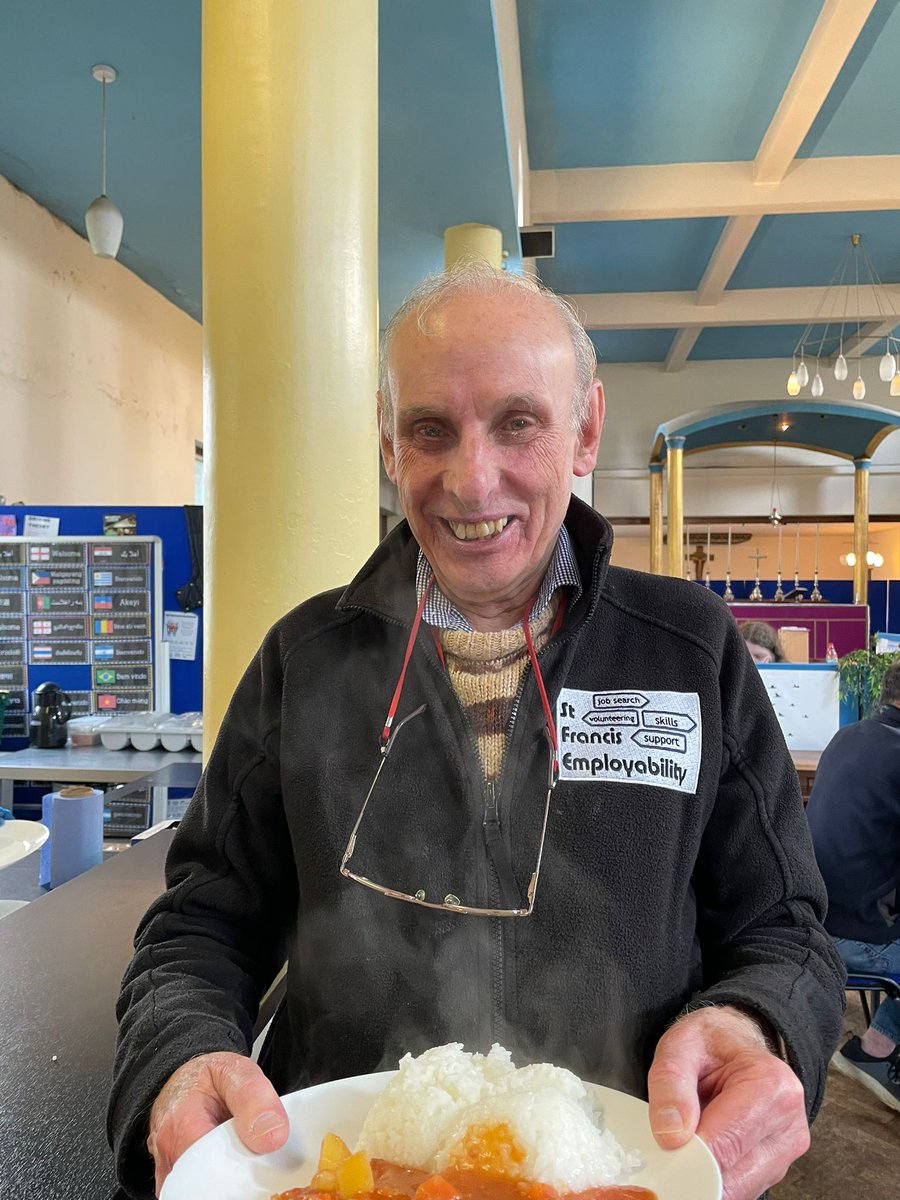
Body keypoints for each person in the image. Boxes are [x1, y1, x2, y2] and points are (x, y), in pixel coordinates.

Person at [108, 264, 845, 1200]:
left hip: (616, 1176)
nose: (470, 478)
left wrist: (762, 1023)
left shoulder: (689, 650)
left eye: (517, 422)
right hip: (346, 1181)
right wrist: (179, 1059)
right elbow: (196, 928)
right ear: (387, 441)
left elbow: (786, 929)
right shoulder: (304, 658)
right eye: (428, 429)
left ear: (585, 429)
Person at [807, 661, 900, 1112]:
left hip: (814, 919)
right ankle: (877, 1051)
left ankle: (876, 1045)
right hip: (856, 936)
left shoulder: (851, 736)